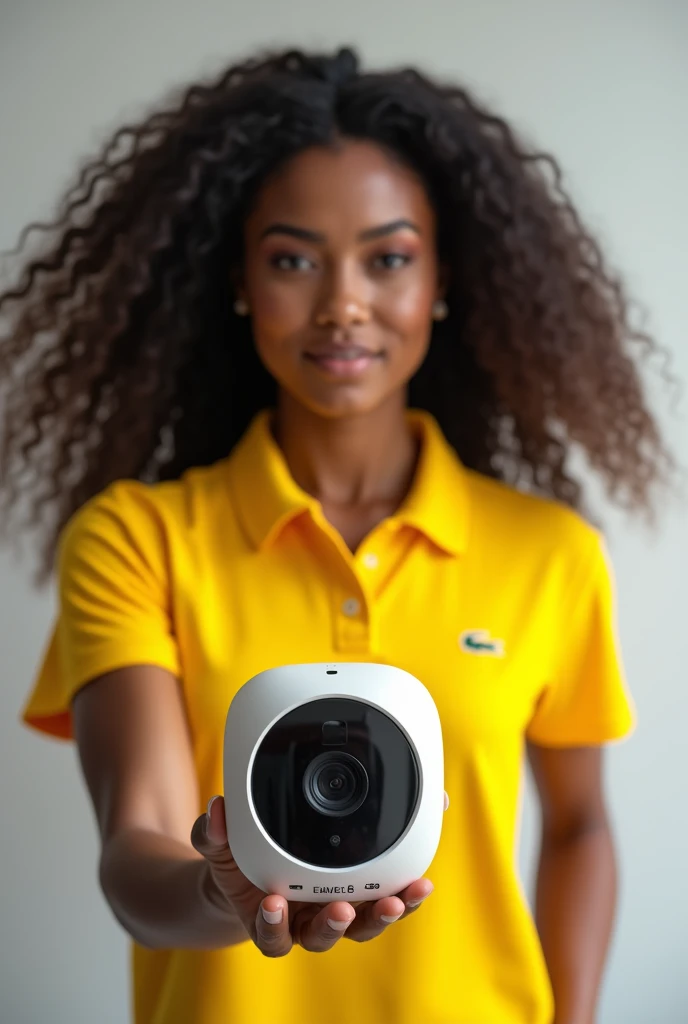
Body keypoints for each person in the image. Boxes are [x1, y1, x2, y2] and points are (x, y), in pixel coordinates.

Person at [0, 44, 677, 1024]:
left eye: (389, 257)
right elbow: (136, 845)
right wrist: (220, 891)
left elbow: (578, 827)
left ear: (444, 278)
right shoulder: (136, 539)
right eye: (291, 259)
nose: (343, 303)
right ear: (237, 280)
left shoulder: (550, 552)